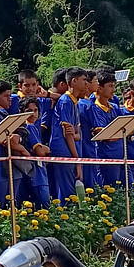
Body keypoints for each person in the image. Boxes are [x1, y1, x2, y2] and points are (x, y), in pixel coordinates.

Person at [48, 67, 88, 201]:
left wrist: (76, 135)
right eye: (84, 80)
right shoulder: (65, 101)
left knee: (73, 188)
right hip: (64, 151)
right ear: (74, 81)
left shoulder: (75, 101)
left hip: (72, 150)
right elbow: (68, 134)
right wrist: (77, 159)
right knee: (67, 191)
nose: (86, 84)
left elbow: (77, 133)